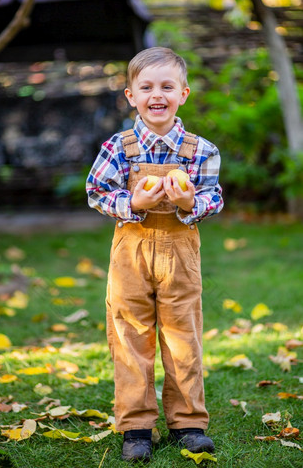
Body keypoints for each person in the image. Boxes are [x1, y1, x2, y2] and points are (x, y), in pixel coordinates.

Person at [86, 47, 224, 462]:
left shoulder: (201, 150)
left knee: (184, 338)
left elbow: (213, 197)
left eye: (167, 86)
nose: (156, 94)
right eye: (146, 87)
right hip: (131, 253)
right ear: (131, 96)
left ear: (183, 93)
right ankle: (137, 427)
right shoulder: (118, 147)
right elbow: (96, 192)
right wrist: (134, 204)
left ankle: (188, 424)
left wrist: (188, 202)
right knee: (130, 338)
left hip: (180, 256)